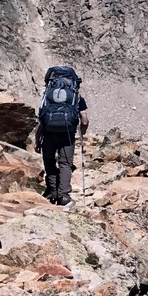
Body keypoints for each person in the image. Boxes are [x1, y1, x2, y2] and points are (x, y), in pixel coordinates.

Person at [34, 70, 89, 207]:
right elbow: (84, 120)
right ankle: (63, 196)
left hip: (48, 134)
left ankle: (53, 192)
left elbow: (41, 120)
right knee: (65, 164)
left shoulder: (48, 96)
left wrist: (37, 140)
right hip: (67, 134)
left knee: (50, 162)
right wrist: (82, 133)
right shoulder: (77, 97)